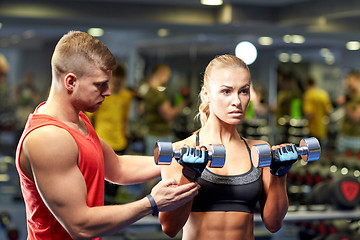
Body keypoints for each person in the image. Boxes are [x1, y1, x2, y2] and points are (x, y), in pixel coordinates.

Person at [15, 31, 199, 240]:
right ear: (70, 82)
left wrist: (185, 149)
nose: (108, 92)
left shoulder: (78, 120)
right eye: (100, 84)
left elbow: (118, 167)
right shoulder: (49, 138)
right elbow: (80, 226)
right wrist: (152, 203)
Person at [158, 54, 299, 240]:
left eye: (243, 91)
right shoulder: (182, 151)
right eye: (226, 91)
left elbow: (273, 224)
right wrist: (189, 175)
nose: (237, 101)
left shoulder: (260, 151)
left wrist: (280, 175)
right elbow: (170, 227)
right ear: (207, 94)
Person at [87, 63, 133, 203]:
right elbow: (89, 118)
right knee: (102, 182)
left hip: (120, 142)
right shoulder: (102, 94)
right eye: (116, 79)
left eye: (121, 80)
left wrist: (127, 132)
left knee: (117, 182)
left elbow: (125, 118)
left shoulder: (126, 96)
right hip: (103, 140)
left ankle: (111, 208)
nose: (118, 82)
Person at [143, 63, 189, 156]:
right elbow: (169, 115)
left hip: (151, 134)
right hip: (160, 136)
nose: (167, 79)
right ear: (160, 73)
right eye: (167, 75)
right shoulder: (157, 94)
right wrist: (183, 103)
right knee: (158, 168)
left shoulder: (148, 90)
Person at [303, 77, 332, 148]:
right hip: (322, 129)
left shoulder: (309, 94)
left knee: (312, 153)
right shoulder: (324, 94)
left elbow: (309, 113)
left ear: (307, 85)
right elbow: (328, 111)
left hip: (312, 129)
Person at [336, 70, 360, 154]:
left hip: (355, 139)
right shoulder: (350, 96)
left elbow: (355, 118)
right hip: (345, 136)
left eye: (351, 81)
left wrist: (345, 104)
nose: (348, 84)